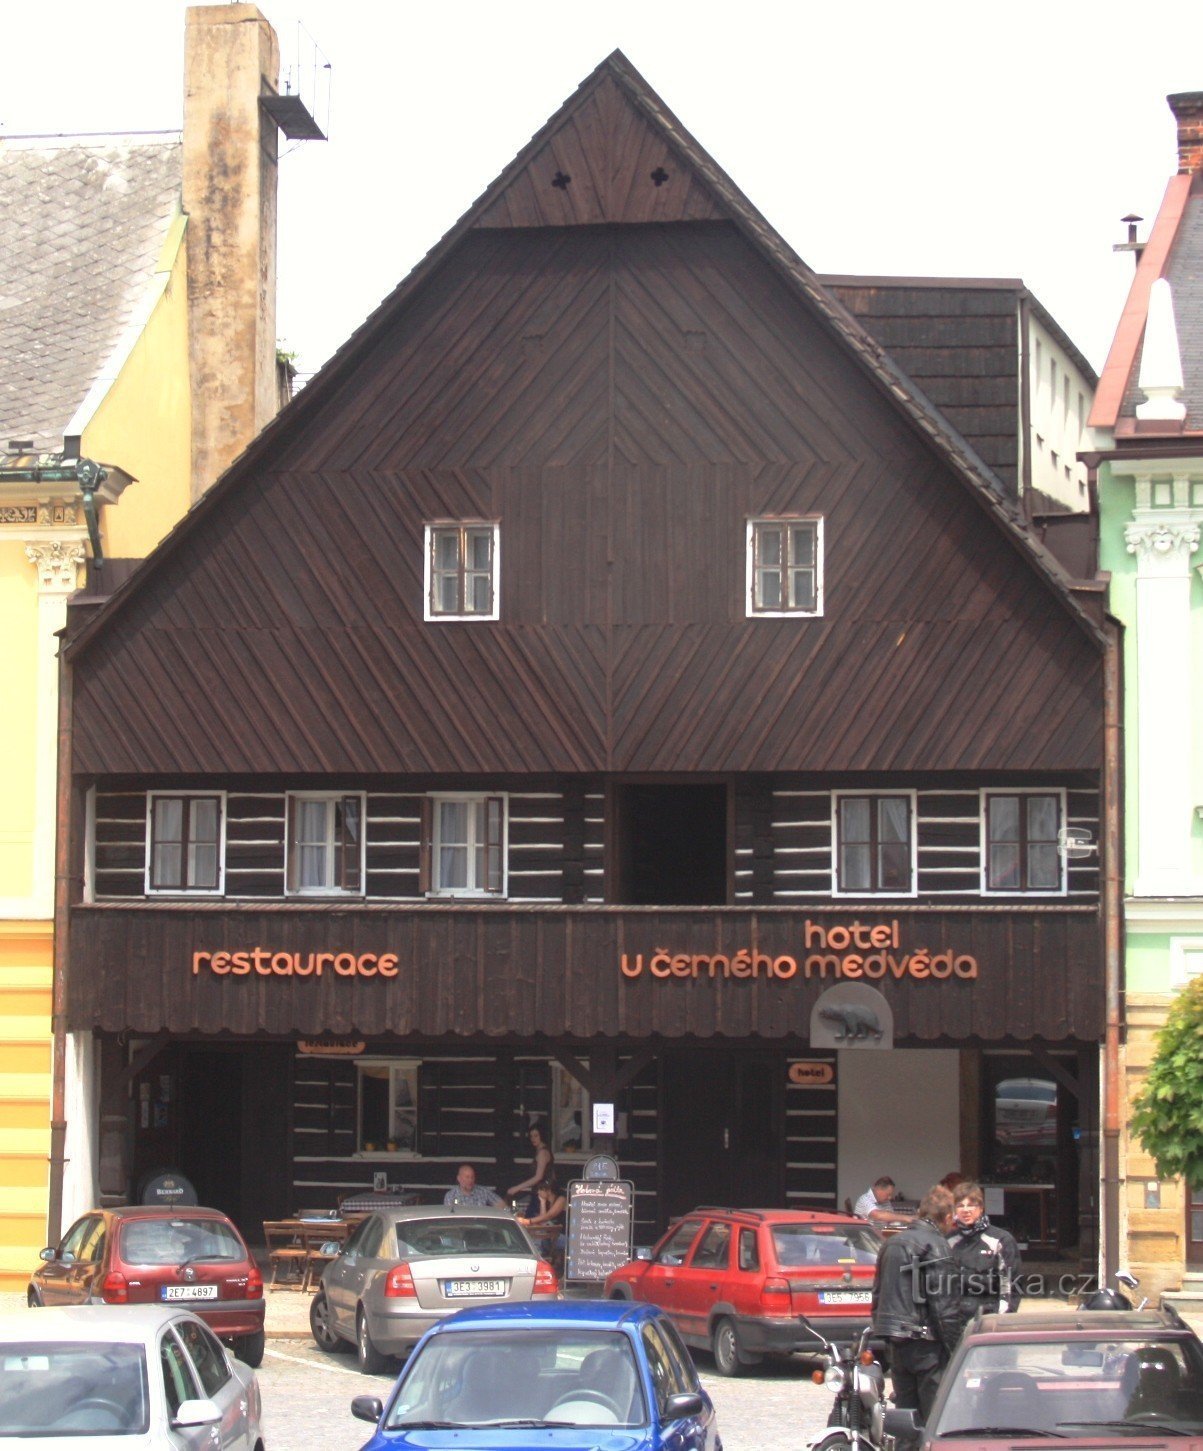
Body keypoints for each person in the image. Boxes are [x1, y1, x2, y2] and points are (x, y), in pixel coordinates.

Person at [871, 1183, 962, 1420]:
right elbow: (944, 1307)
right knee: (934, 1418)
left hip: (897, 1343)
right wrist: (955, 1351)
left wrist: (884, 1332)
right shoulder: (937, 1245)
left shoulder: (891, 1243)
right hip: (926, 1343)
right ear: (949, 1217)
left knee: (906, 1419)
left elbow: (878, 1294)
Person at [946, 1181, 1022, 1341]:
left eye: (971, 1205)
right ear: (954, 1210)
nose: (966, 1210)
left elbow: (1010, 1288)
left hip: (990, 1322)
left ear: (981, 1208)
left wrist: (998, 1322)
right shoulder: (947, 1241)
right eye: (960, 1205)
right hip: (954, 1323)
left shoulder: (1001, 1240)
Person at [516, 1174, 567, 1270]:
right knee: (535, 1237)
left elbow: (550, 1215)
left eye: (540, 1190)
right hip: (551, 1237)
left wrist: (528, 1221)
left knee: (539, 1240)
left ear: (547, 1190)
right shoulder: (546, 1201)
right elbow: (543, 1220)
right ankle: (539, 1260)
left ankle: (539, 1262)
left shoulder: (561, 1198)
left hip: (564, 1237)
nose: (538, 1192)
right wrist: (543, 1202)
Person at [507, 1119, 554, 1217]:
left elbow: (538, 1176)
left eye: (536, 1135)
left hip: (542, 1194)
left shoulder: (542, 1153)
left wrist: (517, 1188)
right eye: (531, 1136)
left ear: (542, 1135)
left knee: (532, 1219)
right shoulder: (540, 1151)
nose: (533, 1138)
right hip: (536, 1193)